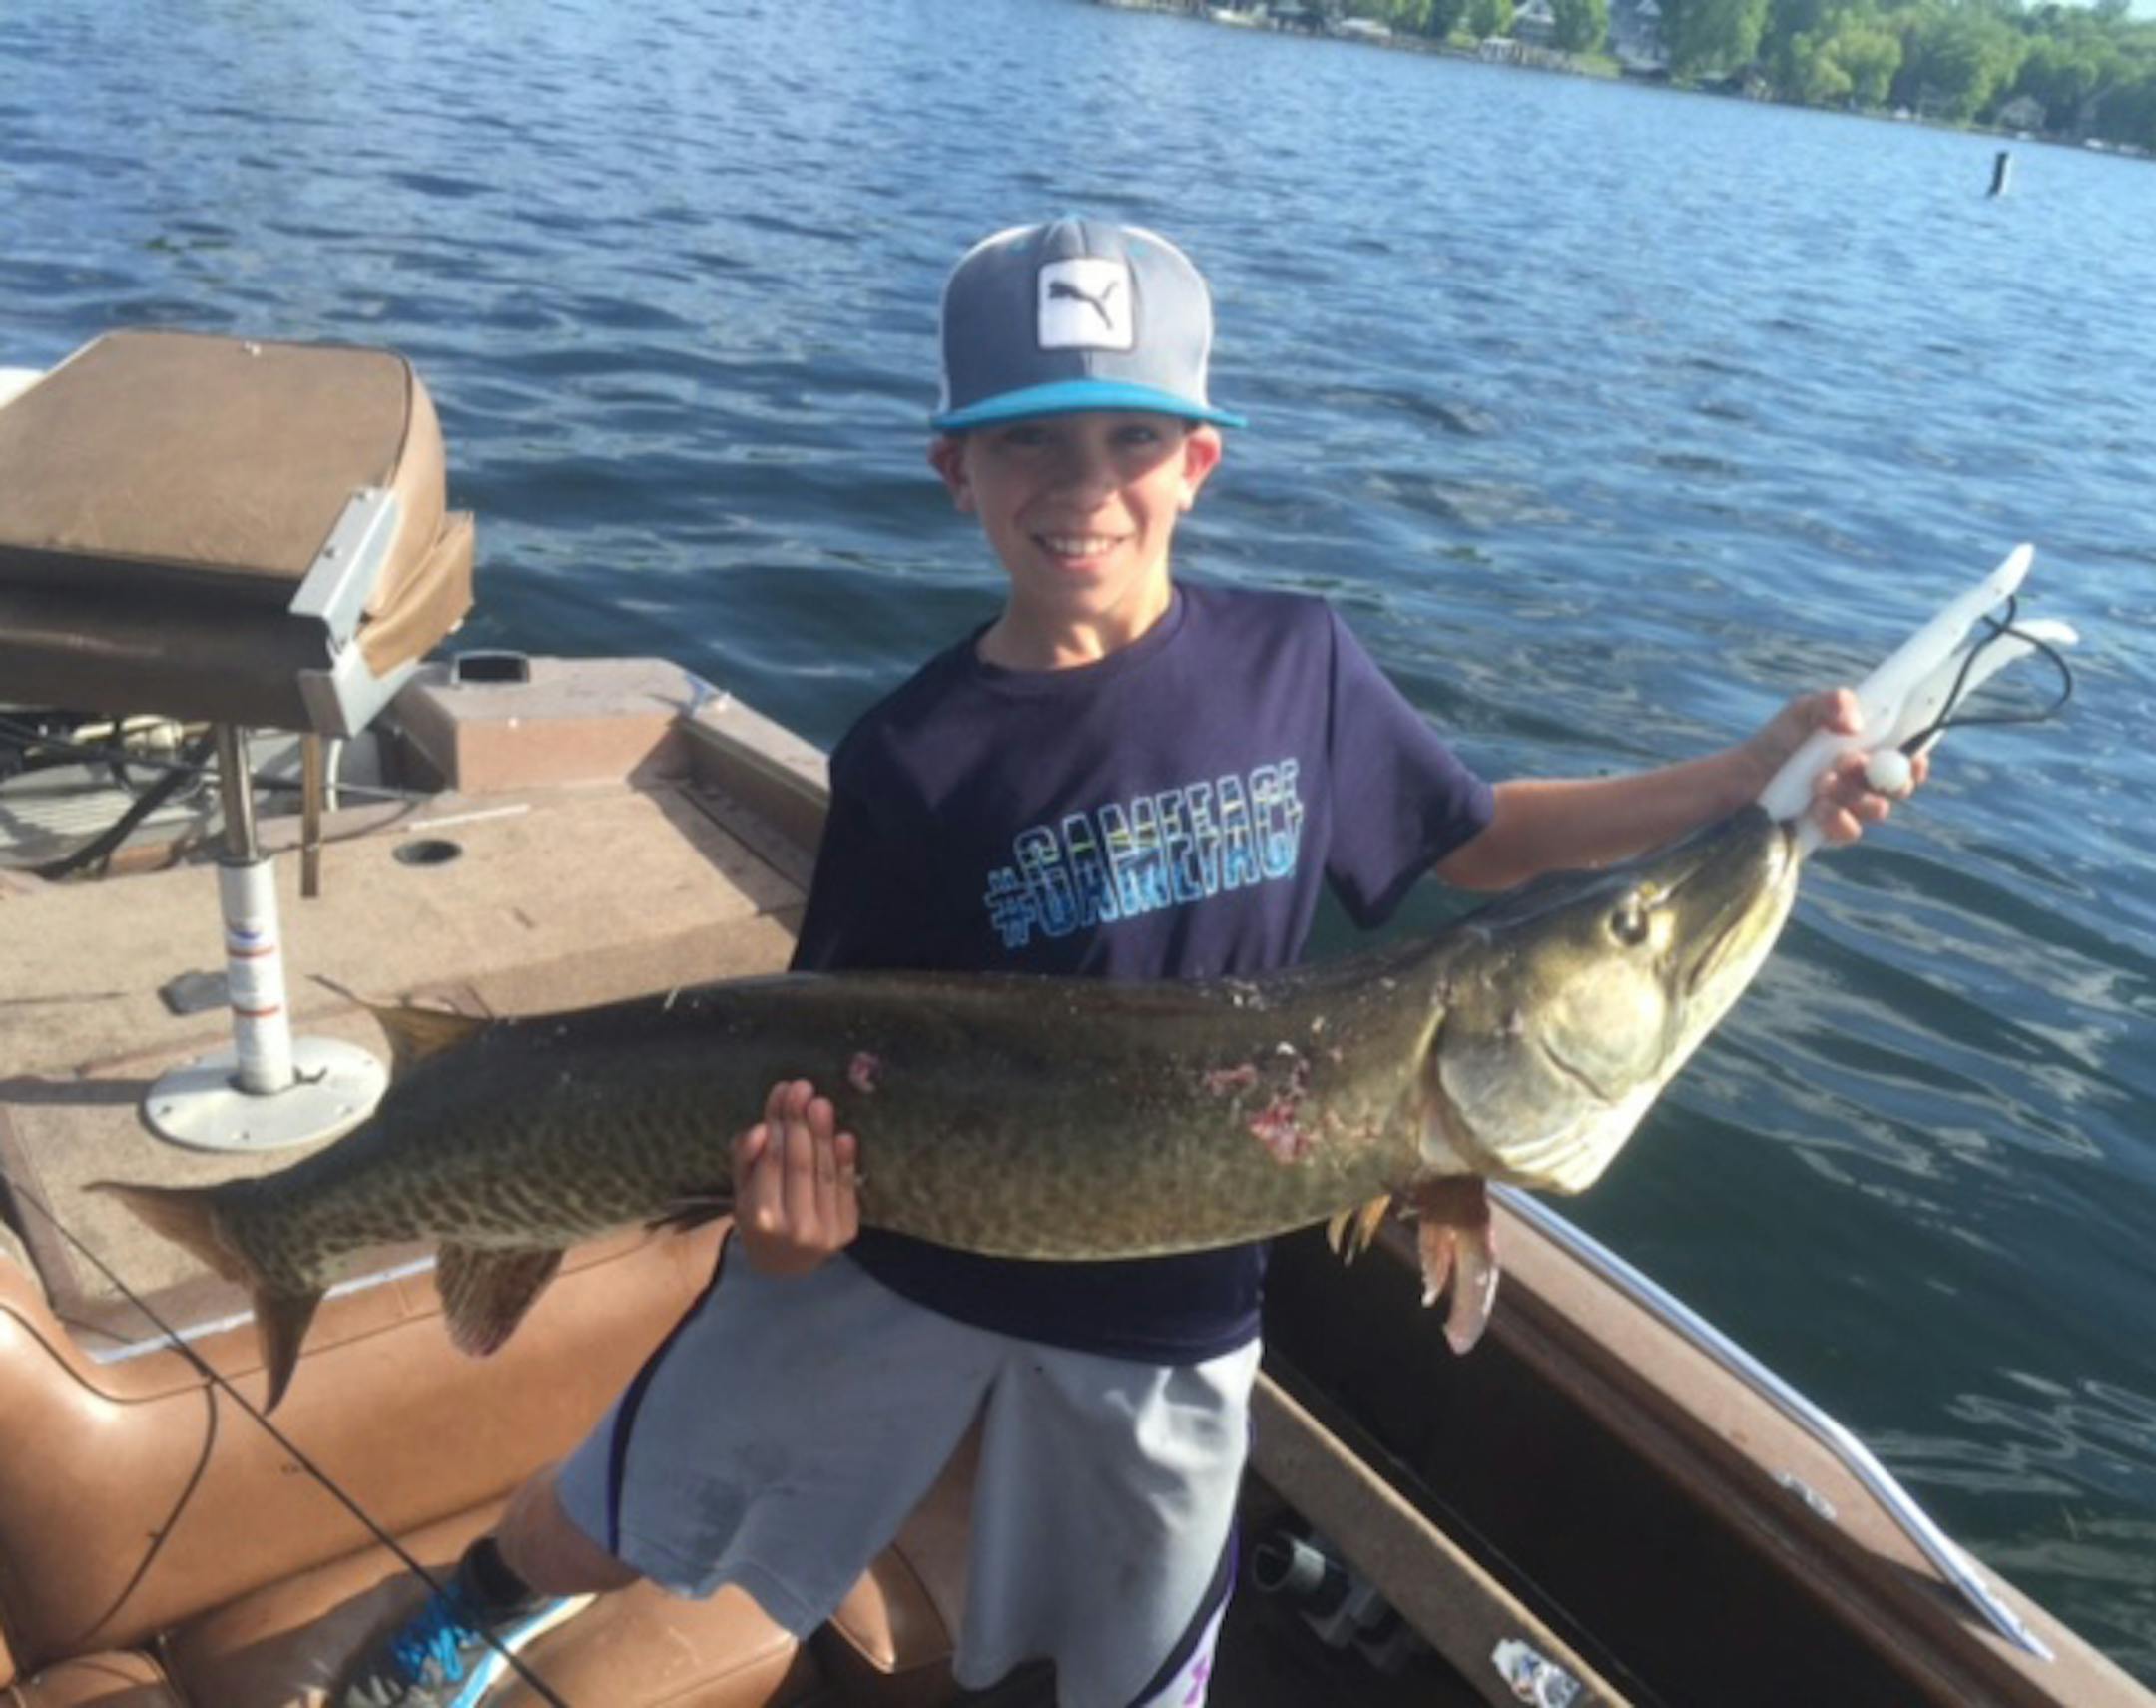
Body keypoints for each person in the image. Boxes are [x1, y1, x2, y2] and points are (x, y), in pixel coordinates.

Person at [338, 218, 1917, 1708]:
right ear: (955, 470)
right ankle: (478, 1599)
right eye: (1030, 436)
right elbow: (821, 1042)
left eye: (1130, 439)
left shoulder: (1300, 666)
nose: (1083, 484)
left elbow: (1483, 842)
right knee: (663, 1470)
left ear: (1198, 462)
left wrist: (1741, 781)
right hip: (903, 1259)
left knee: (1148, 1643)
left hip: (1169, 1300)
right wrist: (790, 1229)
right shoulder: (914, 755)